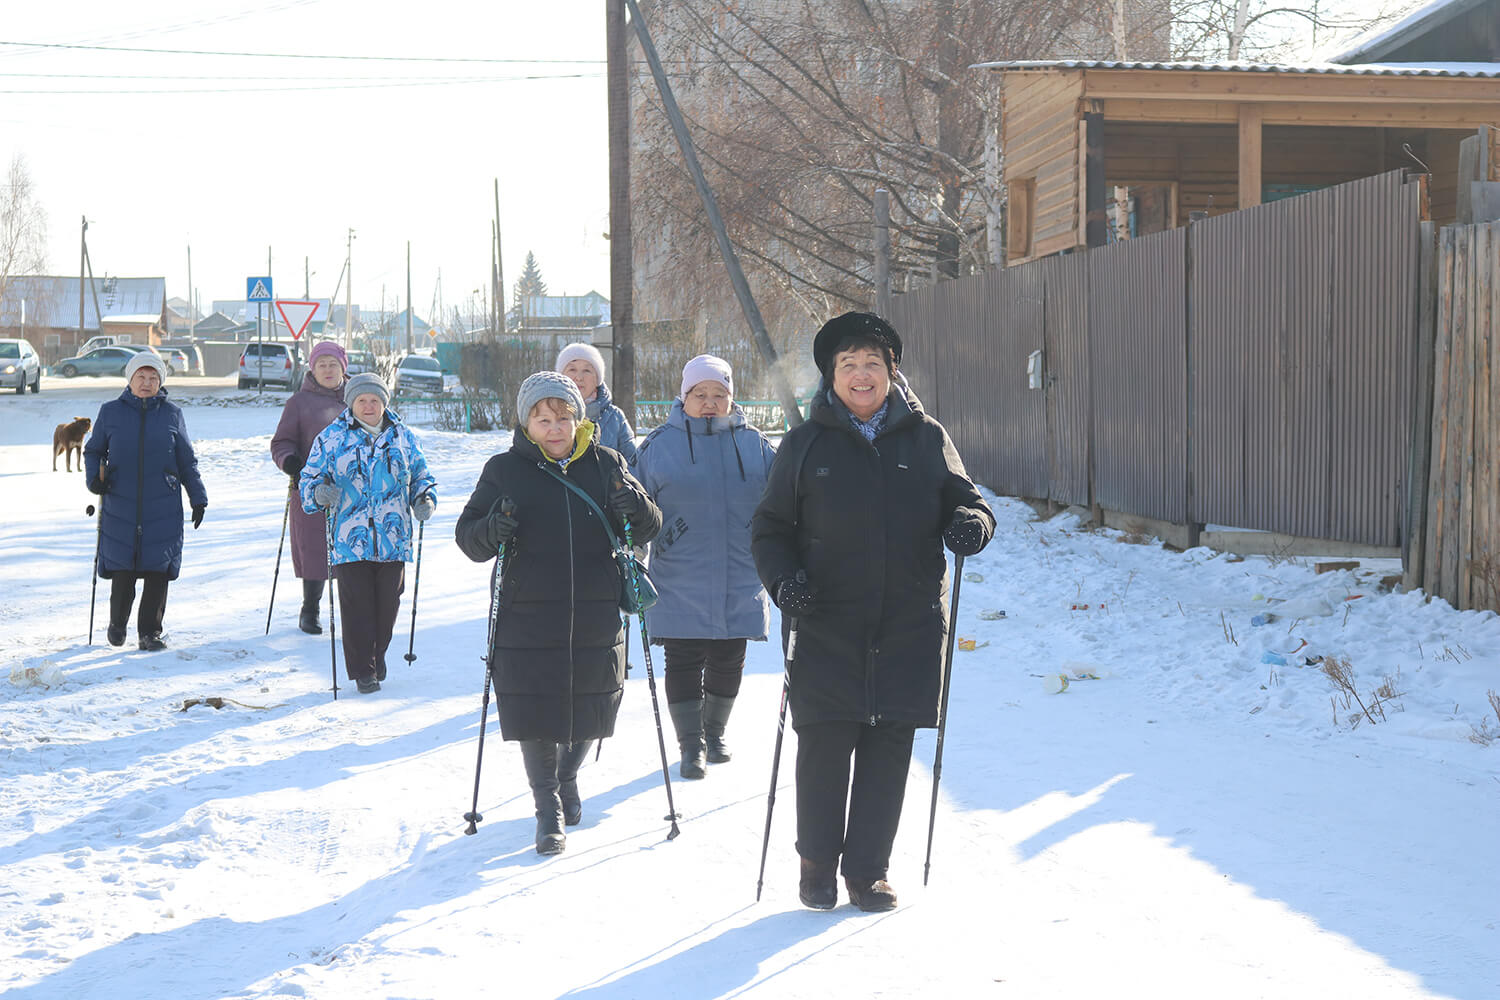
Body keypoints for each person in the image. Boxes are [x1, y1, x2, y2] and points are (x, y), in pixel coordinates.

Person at [751, 312, 995, 913]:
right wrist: (784, 583)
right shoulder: (806, 444)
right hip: (824, 622)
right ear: (831, 376)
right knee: (825, 748)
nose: (861, 375)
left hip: (908, 623)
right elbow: (770, 528)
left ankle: (868, 872)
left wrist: (971, 524)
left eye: (873, 364)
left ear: (892, 372)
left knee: (888, 749)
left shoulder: (926, 438)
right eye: (848, 365)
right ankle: (816, 864)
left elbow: (971, 503)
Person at [455, 371, 661, 855]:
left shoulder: (607, 463)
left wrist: (632, 504)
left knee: (594, 704)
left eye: (563, 418)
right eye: (542, 419)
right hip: (527, 613)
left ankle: (567, 777)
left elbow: (649, 525)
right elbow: (469, 540)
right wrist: (494, 526)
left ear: (578, 419)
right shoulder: (504, 470)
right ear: (526, 423)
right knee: (536, 710)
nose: (554, 428)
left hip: (596, 610)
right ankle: (546, 808)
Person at [633, 354, 777, 779]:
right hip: (678, 575)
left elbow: (782, 502)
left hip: (741, 572)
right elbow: (635, 509)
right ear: (685, 397)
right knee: (682, 659)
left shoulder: (755, 445)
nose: (710, 402)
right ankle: (689, 745)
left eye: (720, 394)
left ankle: (715, 733)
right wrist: (635, 557)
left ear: (732, 399)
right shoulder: (660, 445)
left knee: (730, 658)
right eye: (701, 394)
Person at [298, 372, 436, 694]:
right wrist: (320, 493)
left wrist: (424, 497)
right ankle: (364, 670)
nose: (369, 405)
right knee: (357, 605)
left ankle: (377, 654)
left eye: (375, 400)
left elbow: (421, 474)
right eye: (362, 400)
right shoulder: (332, 437)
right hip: (350, 539)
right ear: (351, 403)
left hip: (394, 537)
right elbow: (309, 478)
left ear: (384, 403)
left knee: (388, 604)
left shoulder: (403, 436)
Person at [84, 352, 208, 651]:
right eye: (141, 376)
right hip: (120, 500)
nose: (146, 382)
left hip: (163, 502)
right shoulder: (110, 412)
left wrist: (198, 497)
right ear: (130, 379)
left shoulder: (172, 414)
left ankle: (149, 633)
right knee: (123, 568)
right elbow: (94, 450)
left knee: (158, 569)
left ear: (161, 382)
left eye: (153, 378)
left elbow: (186, 460)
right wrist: (95, 479)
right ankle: (117, 624)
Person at [269, 340, 348, 634]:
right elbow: (282, 442)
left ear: (343, 366)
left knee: (353, 549)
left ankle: (354, 609)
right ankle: (310, 609)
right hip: (312, 486)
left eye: (333, 364)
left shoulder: (358, 398)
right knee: (314, 549)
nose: (328, 370)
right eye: (321, 365)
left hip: (355, 488)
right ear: (312, 369)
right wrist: (289, 461)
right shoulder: (298, 403)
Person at [556, 342, 637, 463]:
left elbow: (632, 463)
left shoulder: (615, 417)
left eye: (587, 370)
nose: (579, 377)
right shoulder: (547, 413)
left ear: (597, 379)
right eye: (572, 369)